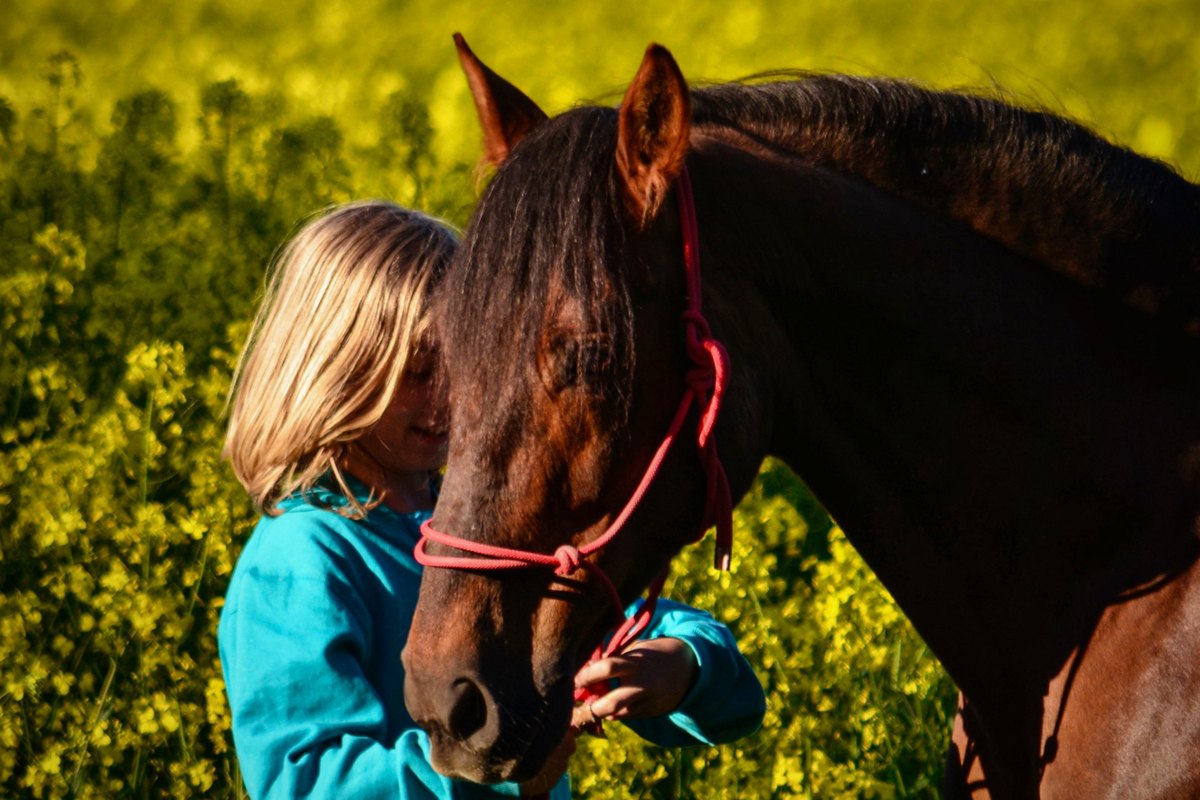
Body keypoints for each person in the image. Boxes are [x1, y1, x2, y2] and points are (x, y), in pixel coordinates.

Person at [218, 201, 766, 800]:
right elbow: (305, 784)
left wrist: (683, 666)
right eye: (419, 371)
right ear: (332, 371)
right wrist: (503, 767)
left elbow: (710, 681)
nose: (447, 400)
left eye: (466, 369)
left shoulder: (470, 528)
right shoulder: (299, 560)